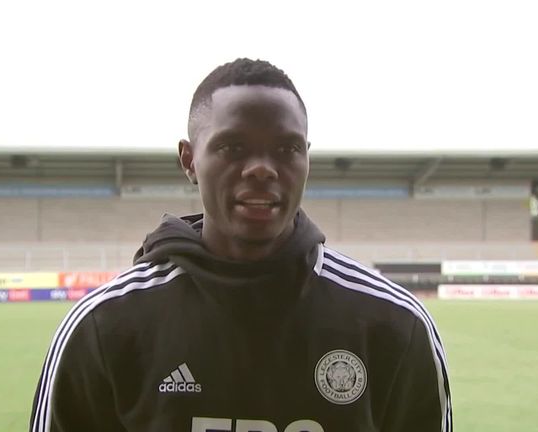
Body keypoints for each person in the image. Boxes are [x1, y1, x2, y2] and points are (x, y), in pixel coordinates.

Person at [29, 58, 452, 432]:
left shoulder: (394, 325)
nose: (262, 169)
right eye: (233, 147)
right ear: (189, 160)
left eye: (287, 148)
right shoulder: (104, 326)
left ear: (307, 158)